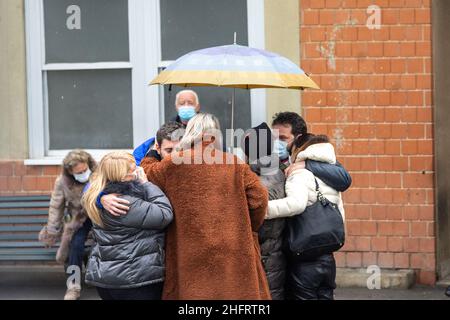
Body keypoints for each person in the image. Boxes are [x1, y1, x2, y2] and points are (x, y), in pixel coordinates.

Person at [136, 113, 270, 299]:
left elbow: (146, 174)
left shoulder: (173, 163)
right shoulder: (234, 163)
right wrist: (246, 228)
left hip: (188, 250)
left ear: (189, 132)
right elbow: (259, 199)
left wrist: (151, 152)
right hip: (233, 250)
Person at [242, 122, 352, 300]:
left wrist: (261, 210)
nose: (282, 145)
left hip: (297, 254)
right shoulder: (324, 172)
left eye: (284, 139)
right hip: (326, 252)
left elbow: (296, 205)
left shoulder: (294, 172)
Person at [82, 151, 173, 300]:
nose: (138, 171)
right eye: (133, 170)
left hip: (106, 277)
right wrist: (146, 184)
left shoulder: (96, 196)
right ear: (122, 177)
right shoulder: (125, 202)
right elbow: (164, 214)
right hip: (134, 280)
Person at [266, 133, 346, 300]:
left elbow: (296, 204)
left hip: (305, 257)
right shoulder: (329, 175)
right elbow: (339, 212)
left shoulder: (300, 173)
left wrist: (263, 209)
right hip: (328, 256)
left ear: (298, 150)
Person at [38, 149, 97, 300]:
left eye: (85, 170)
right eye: (79, 172)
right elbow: (56, 206)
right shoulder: (62, 182)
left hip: (100, 215)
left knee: (105, 243)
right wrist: (52, 230)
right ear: (70, 172)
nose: (83, 173)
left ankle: (98, 278)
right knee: (75, 245)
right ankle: (73, 286)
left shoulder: (99, 174)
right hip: (79, 218)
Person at [105, 121, 184, 215]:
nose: (174, 156)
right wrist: (102, 197)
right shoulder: (138, 161)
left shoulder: (194, 158)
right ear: (157, 148)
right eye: (169, 151)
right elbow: (101, 182)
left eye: (179, 150)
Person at [133, 90, 200, 165]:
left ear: (198, 106)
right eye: (182, 103)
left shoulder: (208, 129)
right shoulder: (166, 131)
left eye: (190, 103)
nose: (186, 106)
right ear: (176, 106)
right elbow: (138, 158)